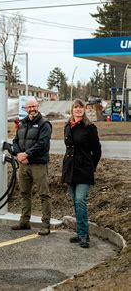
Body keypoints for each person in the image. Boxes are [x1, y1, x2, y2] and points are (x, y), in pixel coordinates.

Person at [62, 99, 101, 248]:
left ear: (85, 109)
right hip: (70, 170)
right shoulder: (67, 126)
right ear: (72, 109)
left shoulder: (90, 127)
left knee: (80, 201)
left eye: (81, 107)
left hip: (84, 170)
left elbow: (96, 151)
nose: (78, 110)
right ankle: (80, 233)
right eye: (75, 107)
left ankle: (84, 235)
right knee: (75, 202)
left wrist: (91, 167)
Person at [11, 97, 52, 235]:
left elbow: (42, 144)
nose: (31, 109)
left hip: (38, 164)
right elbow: (15, 141)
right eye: (29, 107)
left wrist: (27, 154)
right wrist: (19, 154)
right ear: (25, 109)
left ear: (38, 106)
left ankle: (46, 225)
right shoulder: (22, 124)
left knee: (44, 194)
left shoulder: (44, 124)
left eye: (33, 106)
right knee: (24, 193)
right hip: (23, 164)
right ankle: (24, 222)